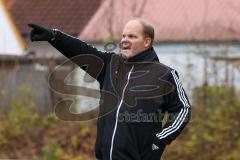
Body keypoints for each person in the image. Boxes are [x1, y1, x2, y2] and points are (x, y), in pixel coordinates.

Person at [28, 19, 191, 160]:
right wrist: (54, 36)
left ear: (147, 42)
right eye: (124, 36)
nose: (125, 40)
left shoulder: (165, 74)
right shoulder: (110, 65)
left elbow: (183, 109)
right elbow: (81, 51)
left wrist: (159, 140)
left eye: (132, 36)